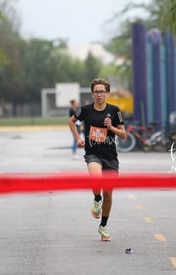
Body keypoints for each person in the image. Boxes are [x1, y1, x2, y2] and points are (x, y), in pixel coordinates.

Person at [68, 78, 126, 241]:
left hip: (110, 156)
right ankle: (96, 199)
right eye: (96, 91)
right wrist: (78, 138)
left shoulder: (115, 111)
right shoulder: (85, 110)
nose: (99, 94)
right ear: (92, 94)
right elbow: (71, 122)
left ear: (107, 93)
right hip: (93, 153)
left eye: (102, 91)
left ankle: (103, 225)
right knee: (96, 178)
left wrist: (111, 127)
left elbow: (123, 134)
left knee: (109, 193)